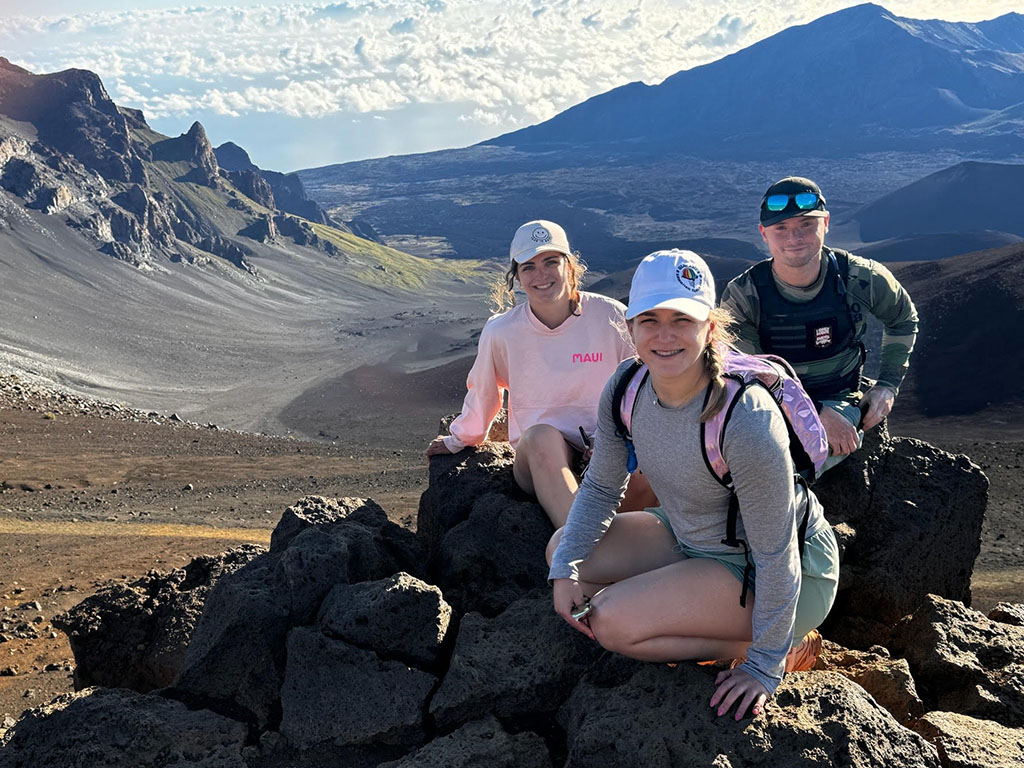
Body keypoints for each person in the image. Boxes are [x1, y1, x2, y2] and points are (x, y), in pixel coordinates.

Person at [548, 250, 839, 721]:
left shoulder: (745, 418)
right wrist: (565, 569)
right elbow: (601, 489)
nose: (664, 336)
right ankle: (702, 608)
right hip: (690, 533)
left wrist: (764, 667)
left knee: (610, 622)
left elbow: (775, 550)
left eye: (682, 319)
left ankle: (780, 644)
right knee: (566, 549)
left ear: (710, 326)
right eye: (650, 320)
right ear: (631, 326)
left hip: (777, 569)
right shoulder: (626, 387)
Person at [427, 219, 647, 527]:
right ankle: (582, 548)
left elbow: (640, 388)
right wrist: (459, 439)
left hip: (606, 453)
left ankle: (629, 548)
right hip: (539, 462)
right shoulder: (501, 331)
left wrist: (613, 439)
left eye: (550, 262)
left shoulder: (611, 317)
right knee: (542, 437)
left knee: (641, 460)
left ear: (570, 266)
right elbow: (485, 394)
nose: (540, 274)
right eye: (528, 266)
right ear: (516, 276)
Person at [720, 176, 918, 470]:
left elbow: (903, 319)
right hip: (769, 402)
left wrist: (887, 385)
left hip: (838, 395)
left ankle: (791, 509)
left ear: (825, 223)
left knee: (803, 457)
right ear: (764, 233)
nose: (793, 238)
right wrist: (814, 412)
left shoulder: (861, 279)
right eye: (781, 228)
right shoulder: (744, 295)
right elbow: (751, 372)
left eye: (806, 225)